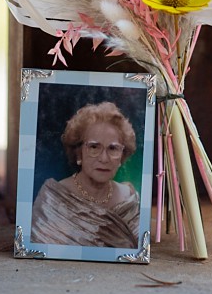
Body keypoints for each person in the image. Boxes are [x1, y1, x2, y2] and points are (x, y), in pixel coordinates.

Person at [30, 101, 140, 248]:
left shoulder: (129, 200)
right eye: (94, 147)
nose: (104, 158)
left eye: (113, 148)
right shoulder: (53, 200)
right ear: (78, 153)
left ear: (122, 156)